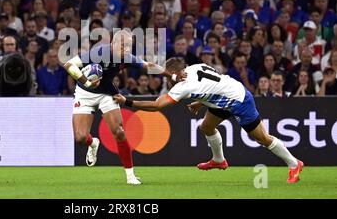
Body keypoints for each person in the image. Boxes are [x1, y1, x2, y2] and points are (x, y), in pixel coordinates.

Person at [113, 58, 304, 183]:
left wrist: (127, 101)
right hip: (224, 96)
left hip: (238, 100)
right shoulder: (195, 67)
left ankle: (294, 164)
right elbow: (213, 83)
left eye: (168, 74)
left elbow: (156, 106)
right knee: (206, 127)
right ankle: (219, 160)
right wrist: (200, 101)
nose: (167, 79)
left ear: (177, 73)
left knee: (262, 138)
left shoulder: (183, 86)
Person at [63, 30, 186, 185]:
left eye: (129, 46)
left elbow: (148, 66)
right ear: (113, 44)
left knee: (119, 132)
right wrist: (86, 81)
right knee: (80, 138)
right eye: (123, 45)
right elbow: (68, 64)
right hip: (84, 92)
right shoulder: (98, 53)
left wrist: (172, 76)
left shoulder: (127, 58)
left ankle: (130, 176)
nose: (126, 49)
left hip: (107, 94)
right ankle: (93, 143)